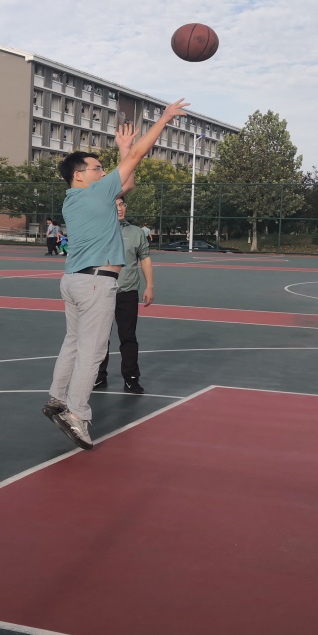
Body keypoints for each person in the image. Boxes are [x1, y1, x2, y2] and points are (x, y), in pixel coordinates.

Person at [42, 99, 188, 449]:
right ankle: (76, 413)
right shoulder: (95, 192)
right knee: (93, 351)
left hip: (73, 280)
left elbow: (128, 182)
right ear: (80, 175)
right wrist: (164, 119)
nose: (102, 171)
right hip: (96, 282)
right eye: (97, 168)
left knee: (73, 342)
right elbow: (137, 157)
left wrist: (123, 150)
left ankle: (57, 398)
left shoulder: (74, 199)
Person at [94, 197, 153, 394]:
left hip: (127, 292)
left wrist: (150, 286)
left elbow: (145, 260)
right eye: (115, 205)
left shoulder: (136, 233)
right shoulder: (98, 231)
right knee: (100, 337)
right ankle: (98, 376)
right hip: (102, 291)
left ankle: (131, 378)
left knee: (128, 337)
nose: (119, 208)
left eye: (122, 204)